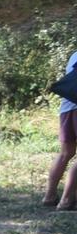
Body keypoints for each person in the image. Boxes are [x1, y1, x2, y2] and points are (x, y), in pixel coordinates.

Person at [45, 48, 77, 210]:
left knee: (65, 153)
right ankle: (66, 201)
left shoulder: (74, 55)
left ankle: (49, 196)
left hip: (66, 109)